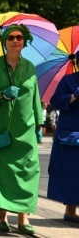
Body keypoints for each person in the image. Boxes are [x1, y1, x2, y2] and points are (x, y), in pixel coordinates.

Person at [0, 24, 43, 235]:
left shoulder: (30, 67)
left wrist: (39, 124)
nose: (16, 41)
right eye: (11, 38)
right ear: (4, 43)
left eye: (19, 37)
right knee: (2, 173)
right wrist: (1, 95)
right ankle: (2, 218)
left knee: (29, 172)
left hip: (26, 128)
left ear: (24, 42)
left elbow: (35, 97)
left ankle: (23, 220)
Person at [47, 51, 79, 223]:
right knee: (71, 172)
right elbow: (55, 101)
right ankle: (70, 211)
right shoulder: (68, 80)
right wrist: (73, 97)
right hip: (70, 136)